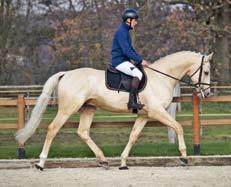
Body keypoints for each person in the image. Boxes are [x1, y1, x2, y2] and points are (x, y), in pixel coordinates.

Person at [111, 8, 150, 110]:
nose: (136, 23)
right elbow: (126, 51)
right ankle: (131, 102)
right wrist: (140, 60)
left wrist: (140, 59)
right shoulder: (121, 32)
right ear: (129, 20)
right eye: (135, 20)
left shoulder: (125, 31)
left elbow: (131, 49)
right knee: (138, 74)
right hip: (119, 61)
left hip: (124, 61)